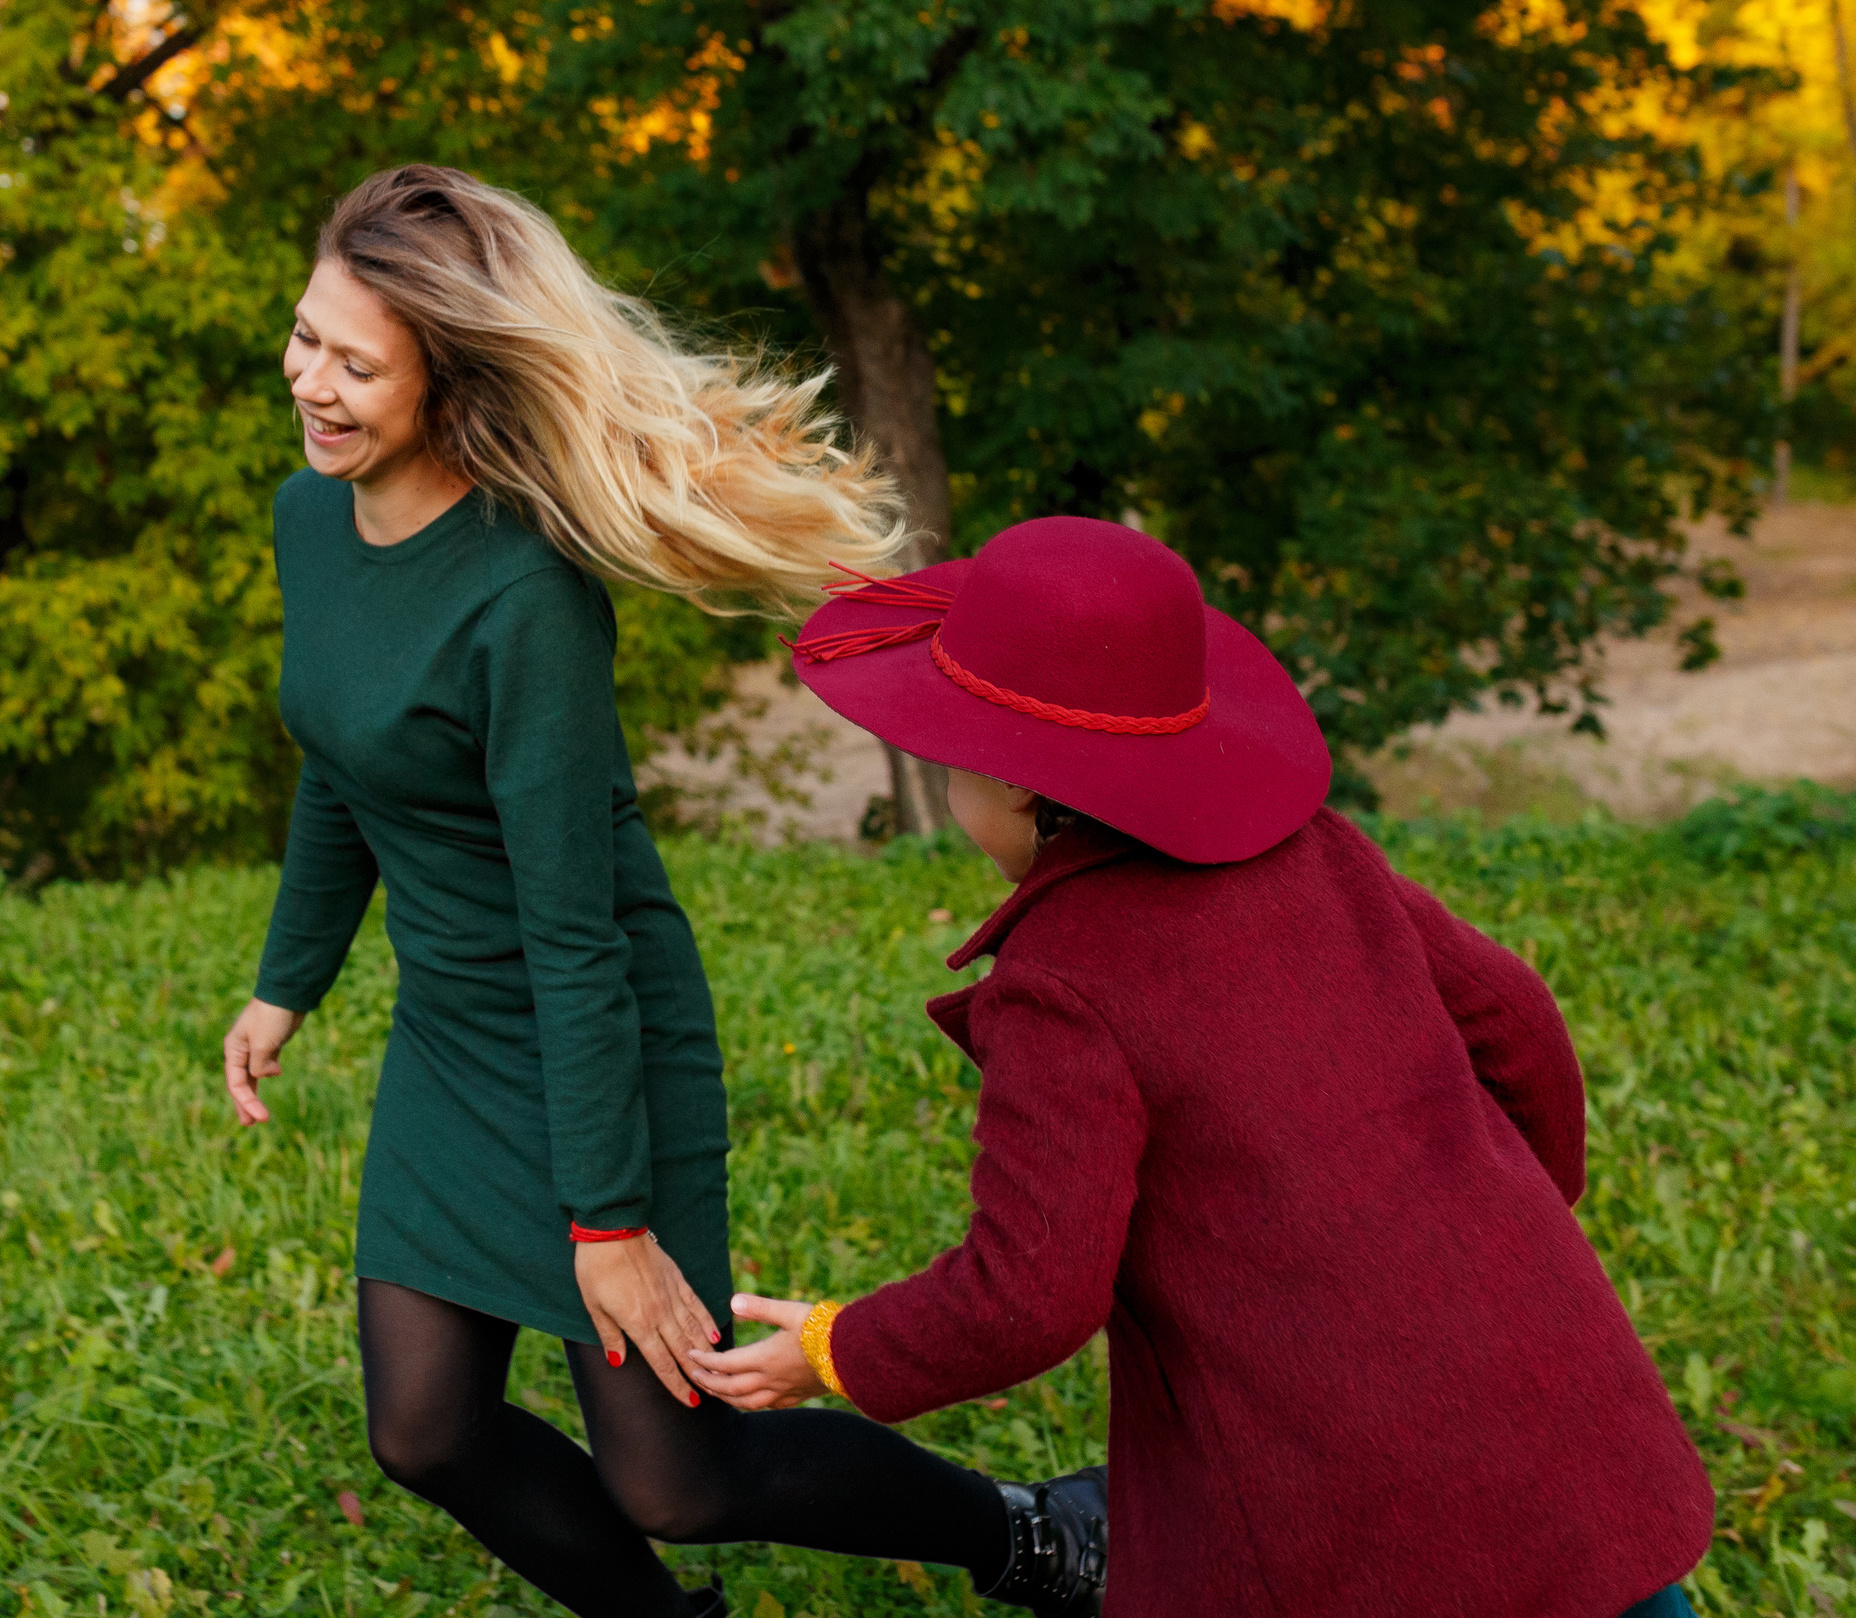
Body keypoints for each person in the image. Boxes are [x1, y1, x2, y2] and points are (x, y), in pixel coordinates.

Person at [219, 166, 1108, 1618]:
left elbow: (578, 942)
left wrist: (608, 1223)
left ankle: (1037, 1536)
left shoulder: (526, 598)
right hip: (451, 1043)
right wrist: (286, 979)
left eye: (354, 363)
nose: (309, 381)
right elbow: (343, 753)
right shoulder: (308, 522)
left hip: (597, 1042)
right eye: (306, 335)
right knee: (424, 1427)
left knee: (677, 1476)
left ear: (451, 377)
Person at [688, 515, 1717, 1618]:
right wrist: (1484, 1234)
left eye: (950, 769)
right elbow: (1516, 1018)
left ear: (1020, 791)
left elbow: (1028, 1295)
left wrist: (838, 1347)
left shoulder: (1062, 980)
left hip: (1344, 1487)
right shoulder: (1319, 851)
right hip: (1555, 1393)